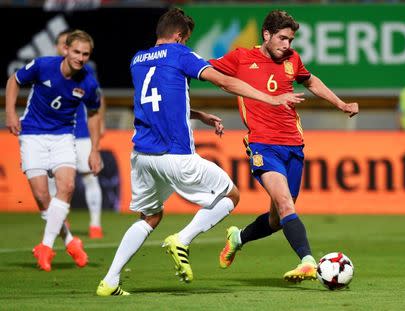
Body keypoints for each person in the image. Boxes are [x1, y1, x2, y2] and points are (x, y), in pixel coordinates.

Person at [96, 7, 303, 296]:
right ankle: (182, 239)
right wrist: (271, 98)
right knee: (230, 195)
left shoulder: (138, 60)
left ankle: (110, 281)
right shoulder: (181, 54)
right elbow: (223, 80)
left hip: (142, 156)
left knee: (150, 217)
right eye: (187, 38)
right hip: (175, 153)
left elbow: (155, 101)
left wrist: (197, 114)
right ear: (180, 36)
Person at [209, 10, 359, 283]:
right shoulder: (241, 57)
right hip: (263, 146)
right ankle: (308, 261)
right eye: (282, 38)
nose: (287, 45)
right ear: (266, 35)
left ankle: (238, 237)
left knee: (278, 219)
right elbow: (203, 70)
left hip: (294, 146)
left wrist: (341, 104)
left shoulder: (293, 59)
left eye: (290, 39)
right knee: (286, 205)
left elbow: (310, 80)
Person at [5, 30, 103, 272]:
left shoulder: (88, 83)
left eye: (86, 54)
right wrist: (10, 113)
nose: (80, 58)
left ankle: (46, 246)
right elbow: (14, 81)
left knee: (67, 187)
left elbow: (93, 114)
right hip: (32, 135)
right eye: (76, 52)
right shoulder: (42, 66)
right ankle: (70, 240)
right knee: (42, 198)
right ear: (65, 50)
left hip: (62, 137)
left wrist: (94, 149)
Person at [51, 30, 106, 239]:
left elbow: (97, 99)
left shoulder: (85, 69)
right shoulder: (47, 67)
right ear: (60, 47)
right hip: (55, 133)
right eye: (62, 42)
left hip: (81, 132)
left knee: (90, 177)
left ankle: (95, 224)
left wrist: (100, 124)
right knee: (52, 180)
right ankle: (59, 220)